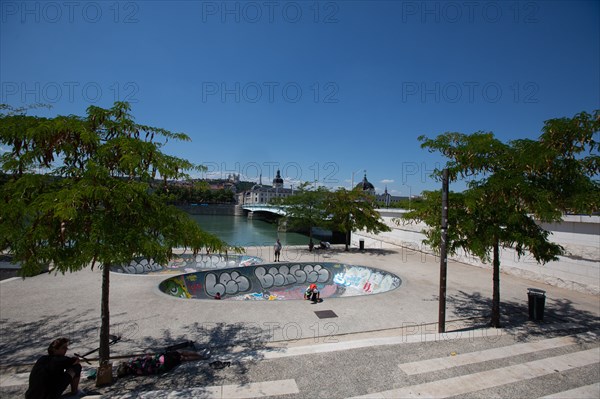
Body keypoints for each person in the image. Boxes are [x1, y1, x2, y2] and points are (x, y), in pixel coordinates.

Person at [116, 349, 205, 378]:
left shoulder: (135, 372)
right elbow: (149, 358)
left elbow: (149, 371)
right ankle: (200, 355)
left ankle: (199, 357)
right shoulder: (134, 362)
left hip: (162, 367)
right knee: (180, 353)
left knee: (182, 360)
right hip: (161, 360)